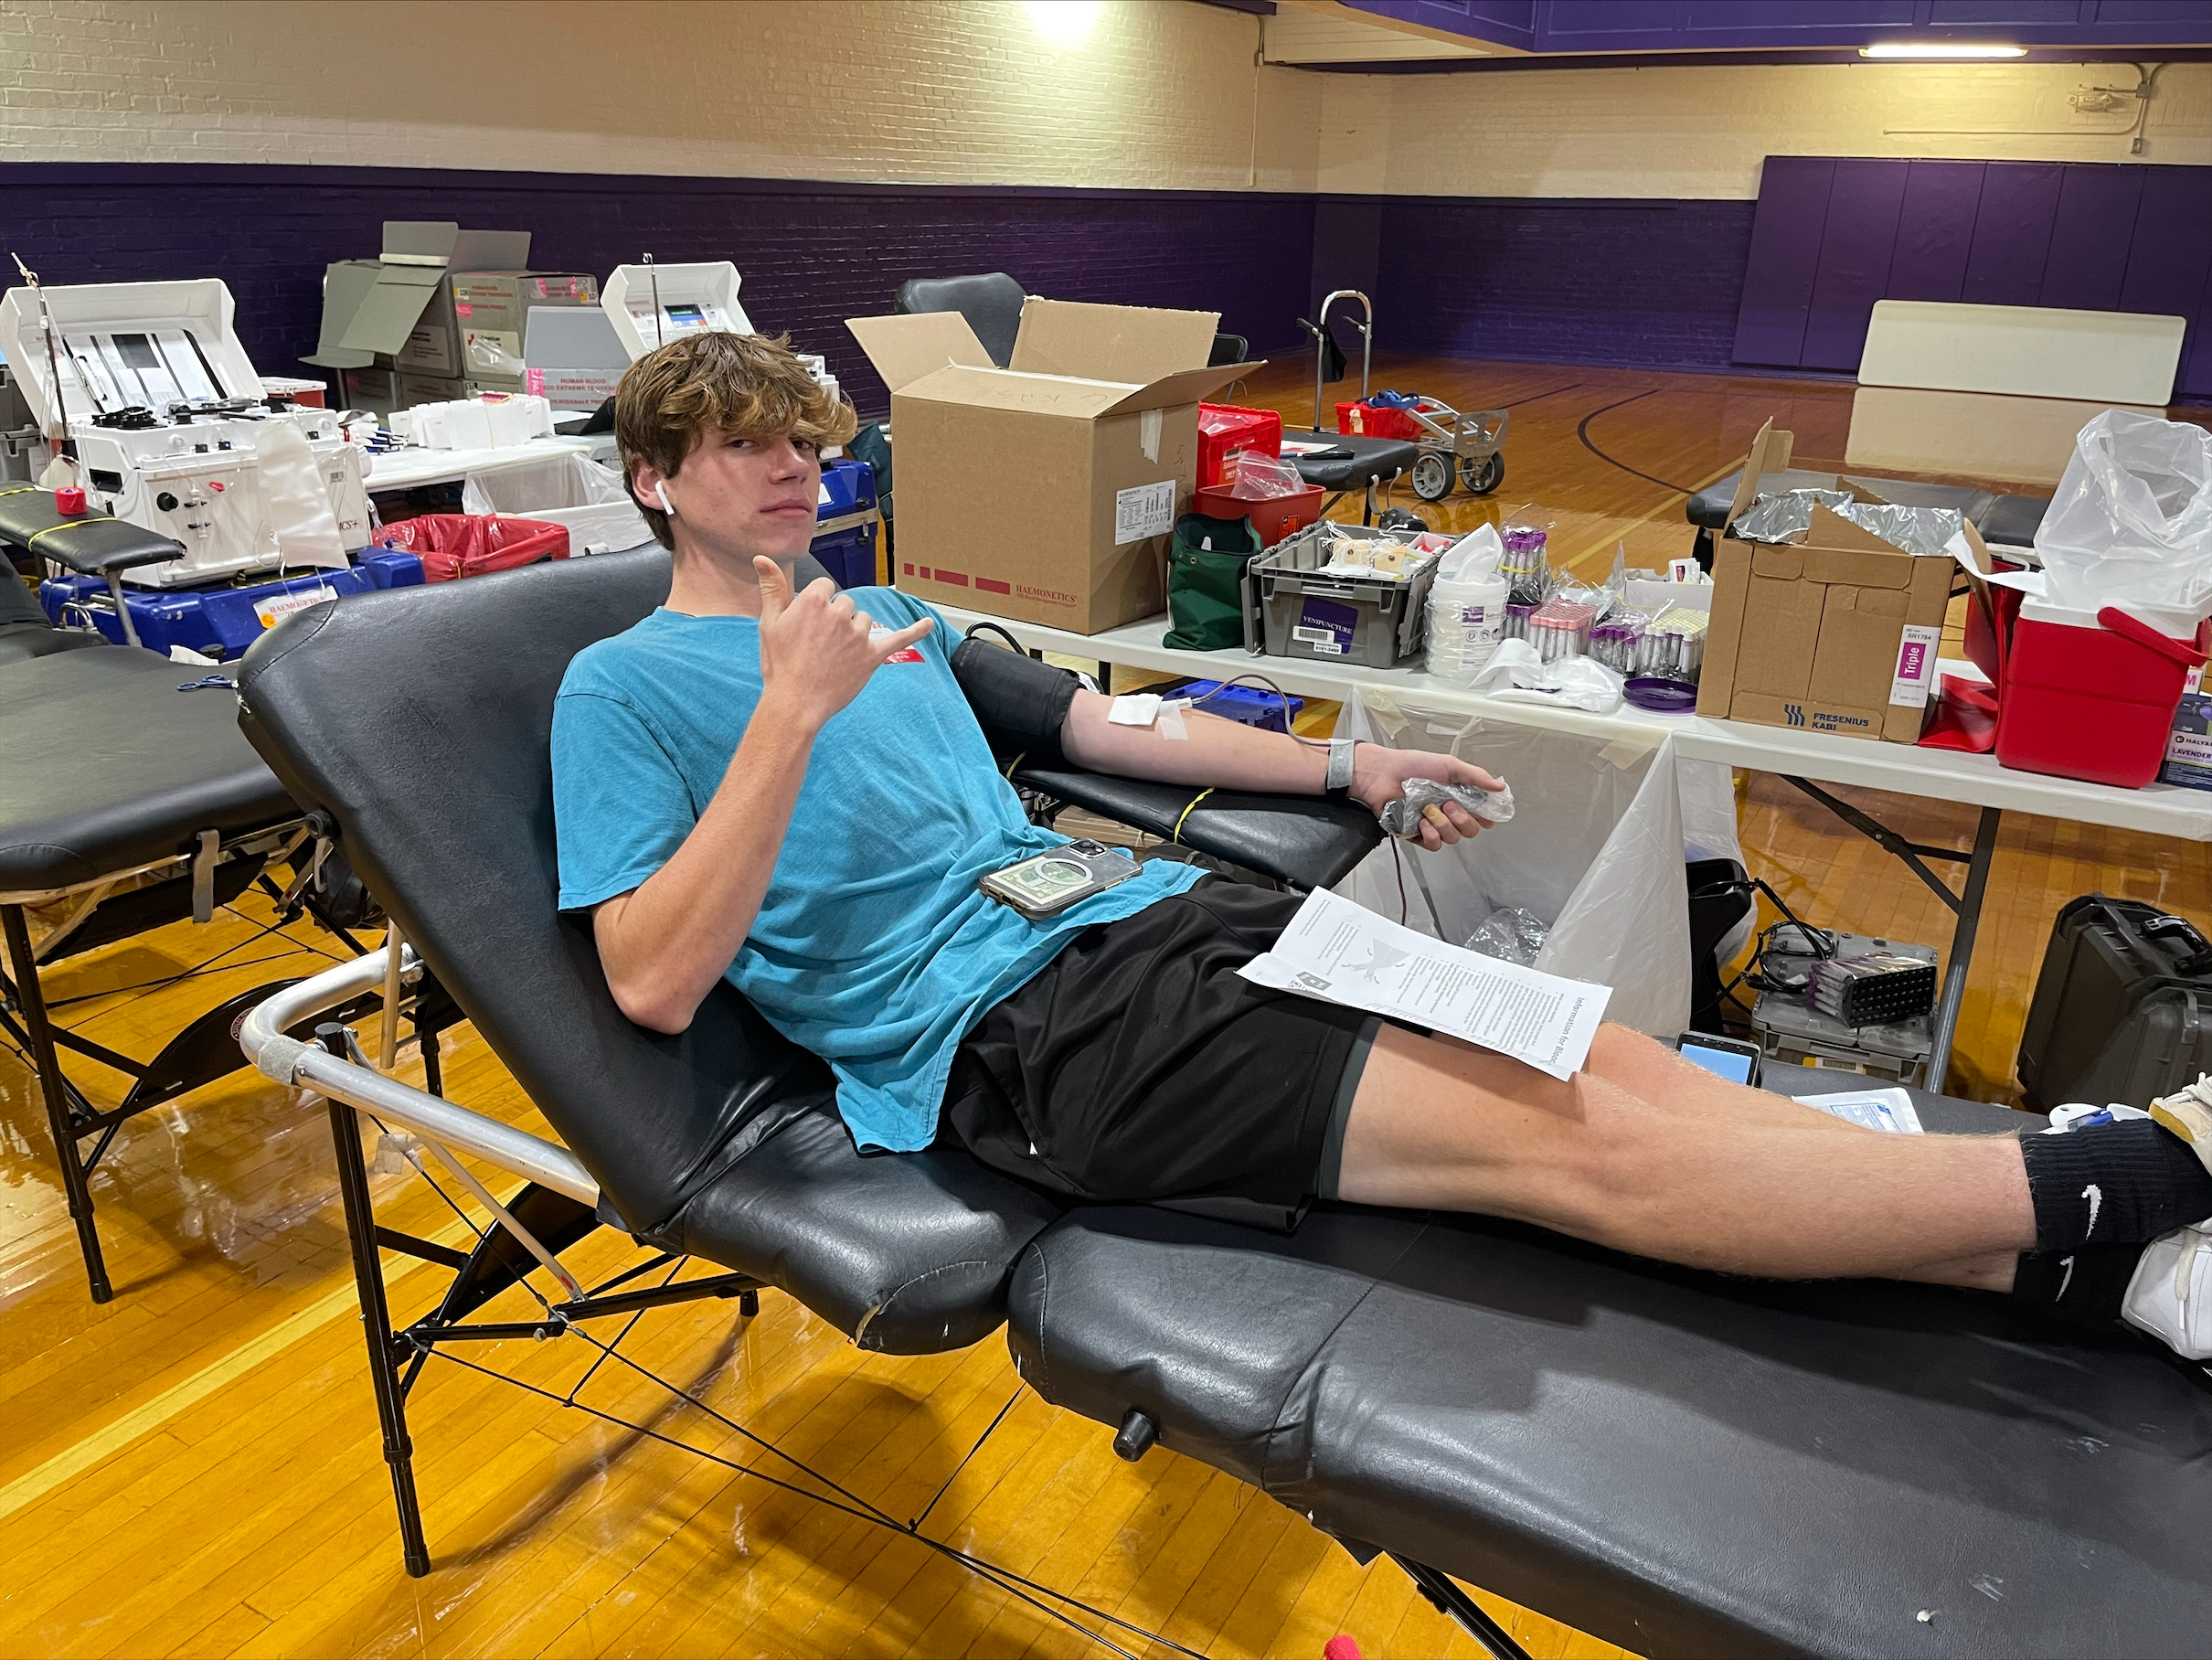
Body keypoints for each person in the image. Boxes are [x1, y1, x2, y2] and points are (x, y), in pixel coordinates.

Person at [552, 330, 2212, 1361]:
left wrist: (1345, 762)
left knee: (1602, 1057)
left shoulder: (891, 613)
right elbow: (647, 979)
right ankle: (2127, 1180)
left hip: (1143, 918)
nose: (787, 467)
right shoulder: (618, 688)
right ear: (650, 480)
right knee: (1566, 1143)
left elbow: (1096, 730)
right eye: (740, 446)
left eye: (800, 439)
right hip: (1015, 1033)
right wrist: (781, 718)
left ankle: (2070, 1280)